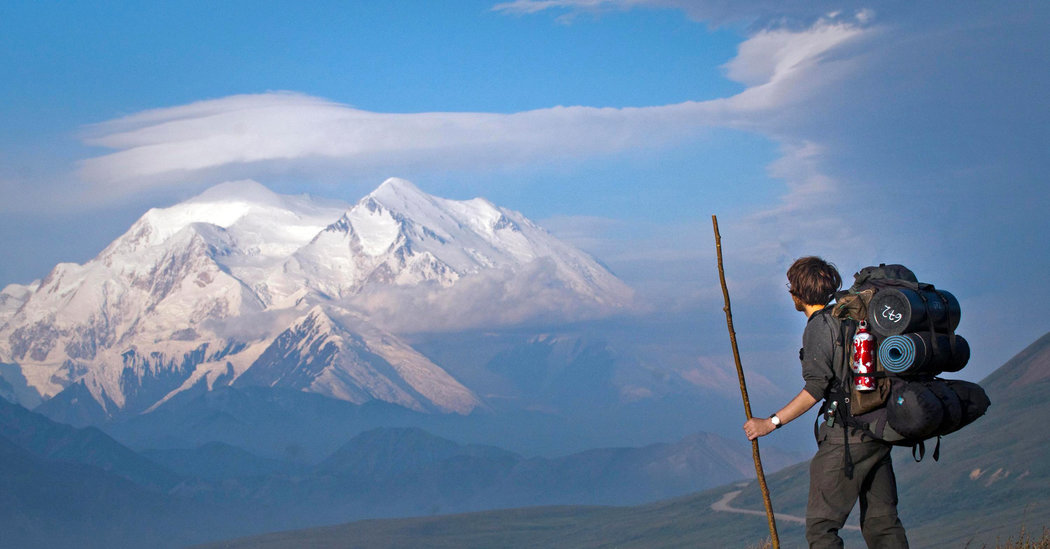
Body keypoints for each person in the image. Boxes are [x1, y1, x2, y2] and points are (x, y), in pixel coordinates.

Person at [742, 256, 909, 548]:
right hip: (878, 430)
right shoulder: (853, 316)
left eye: (791, 287)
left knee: (821, 528)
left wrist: (770, 423)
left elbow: (815, 389)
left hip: (846, 438)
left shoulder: (819, 326)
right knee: (882, 523)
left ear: (798, 293)